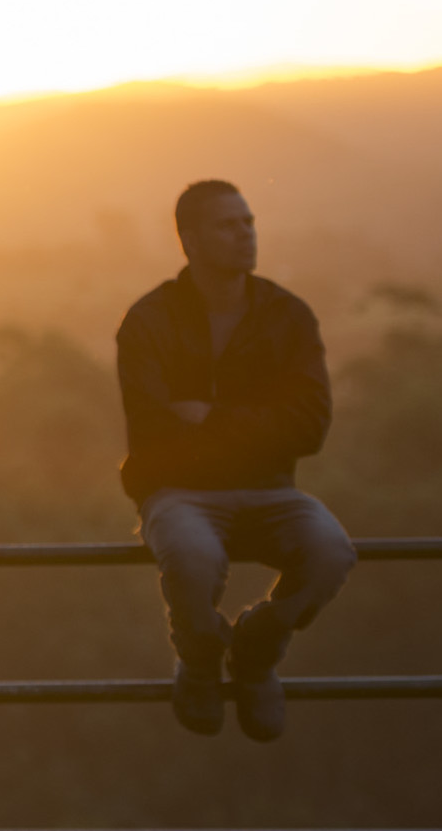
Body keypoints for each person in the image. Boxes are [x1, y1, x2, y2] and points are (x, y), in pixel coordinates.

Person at [117, 179, 356, 742]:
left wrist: (212, 417)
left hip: (271, 490)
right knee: (193, 557)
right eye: (228, 225)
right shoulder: (149, 321)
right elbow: (153, 427)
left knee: (331, 553)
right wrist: (259, 423)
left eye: (248, 222)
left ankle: (256, 650)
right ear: (190, 240)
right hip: (176, 491)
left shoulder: (287, 317)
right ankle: (199, 659)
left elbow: (311, 426)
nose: (246, 234)